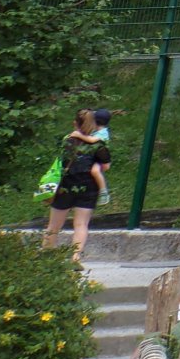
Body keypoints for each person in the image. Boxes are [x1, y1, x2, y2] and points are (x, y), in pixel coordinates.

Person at [42, 109, 111, 262]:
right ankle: (75, 257)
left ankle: (47, 256)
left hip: (65, 186)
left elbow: (63, 161)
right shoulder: (99, 145)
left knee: (53, 225)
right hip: (88, 188)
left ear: (75, 123)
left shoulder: (68, 140)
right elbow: (105, 166)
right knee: (81, 224)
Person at [65, 108, 112, 206]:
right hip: (95, 157)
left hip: (100, 159)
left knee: (95, 171)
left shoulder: (103, 132)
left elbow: (92, 140)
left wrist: (79, 135)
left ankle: (104, 191)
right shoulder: (97, 129)